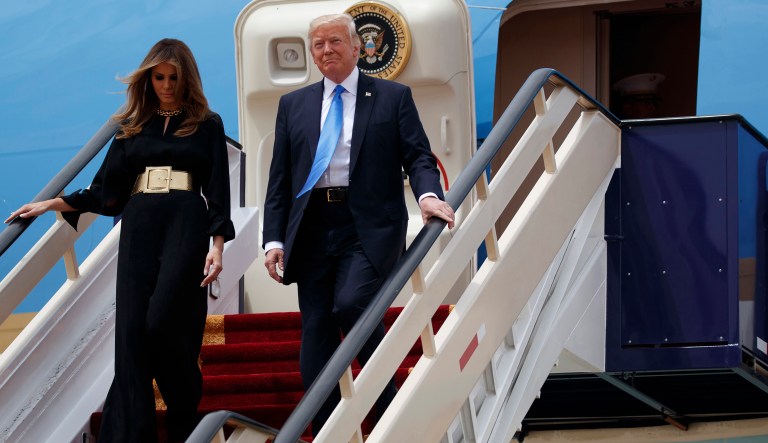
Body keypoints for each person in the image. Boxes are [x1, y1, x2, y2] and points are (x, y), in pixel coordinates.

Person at [5, 38, 235, 443]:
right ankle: (130, 433)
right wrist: (48, 205)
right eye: (159, 77)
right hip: (140, 222)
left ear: (187, 78)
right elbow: (105, 190)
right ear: (148, 79)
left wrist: (217, 246)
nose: (166, 84)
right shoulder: (133, 126)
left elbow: (217, 191)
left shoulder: (206, 123)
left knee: (161, 321)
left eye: (173, 77)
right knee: (131, 333)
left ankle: (184, 410)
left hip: (186, 220)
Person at [262, 13, 455, 435]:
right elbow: (280, 179)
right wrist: (273, 238)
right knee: (316, 328)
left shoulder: (391, 96)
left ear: (356, 48)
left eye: (334, 41)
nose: (325, 50)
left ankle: (389, 406)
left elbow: (418, 156)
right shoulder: (293, 105)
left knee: (350, 304)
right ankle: (329, 427)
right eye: (317, 44)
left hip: (366, 225)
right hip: (311, 226)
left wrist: (427, 196)